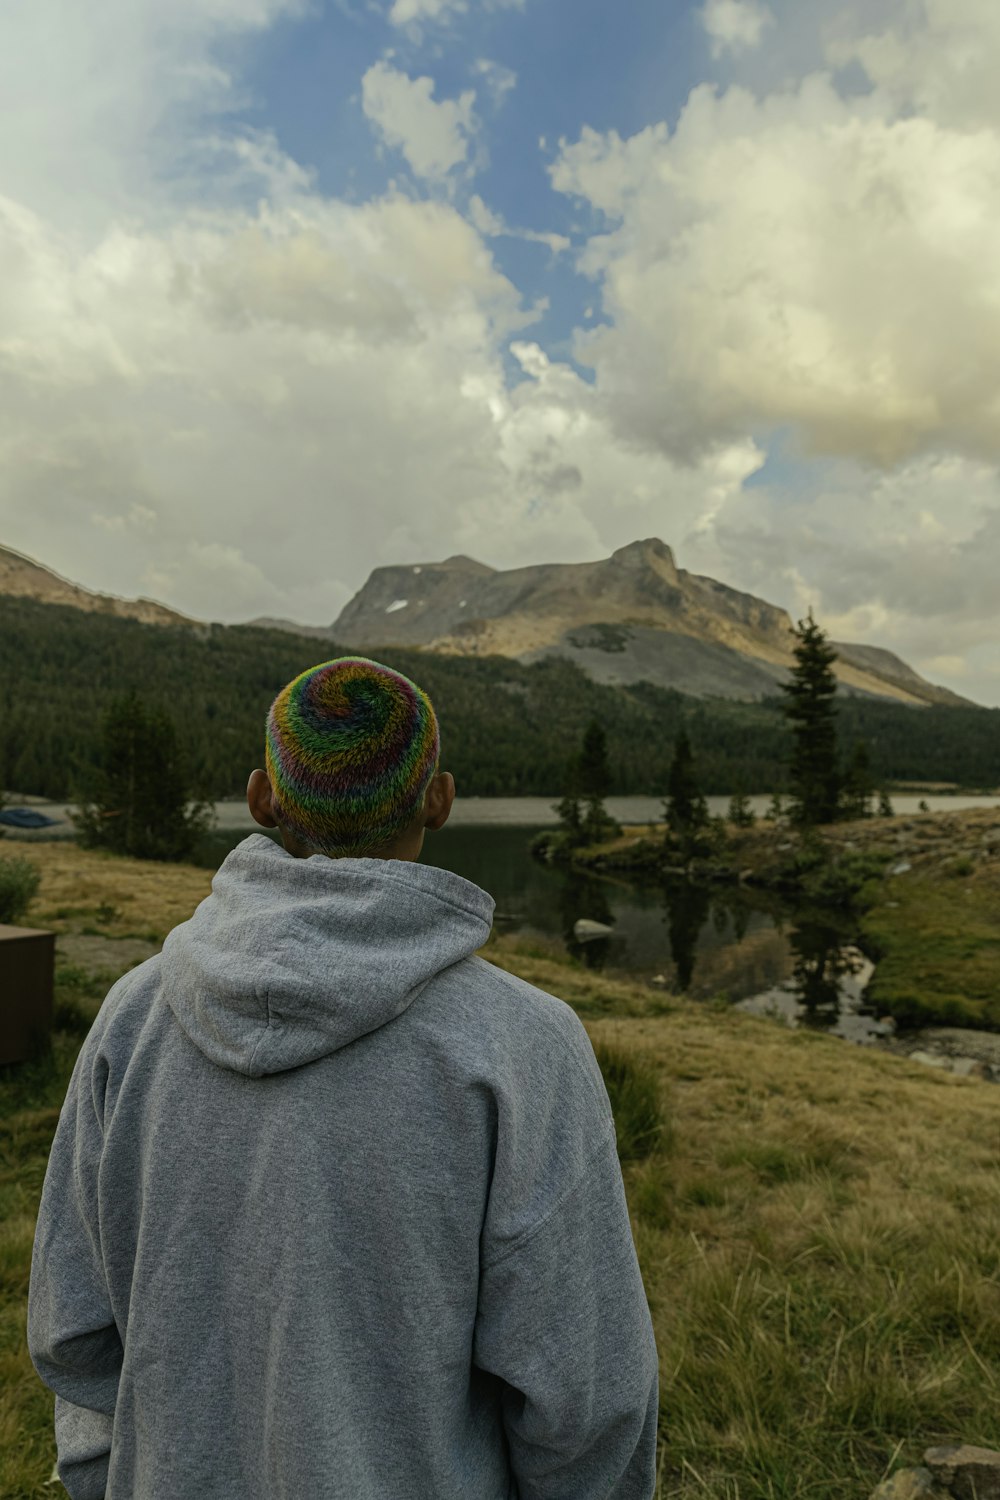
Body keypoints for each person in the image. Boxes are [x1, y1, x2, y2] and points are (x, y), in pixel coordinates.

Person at [28, 656, 659, 1499]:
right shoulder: (526, 1044)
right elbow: (586, 1400)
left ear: (262, 799)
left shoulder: (132, 1018)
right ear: (439, 799)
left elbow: (71, 1333)